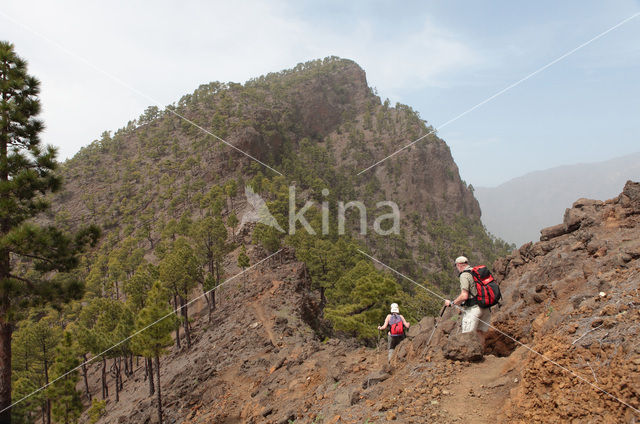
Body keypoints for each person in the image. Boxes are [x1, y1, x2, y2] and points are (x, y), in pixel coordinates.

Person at [444, 256, 491, 345]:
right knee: (479, 332)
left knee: (467, 336)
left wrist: (452, 303)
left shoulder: (464, 275)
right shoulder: (476, 272)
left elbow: (464, 296)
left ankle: (468, 358)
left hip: (474, 309)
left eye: (456, 266)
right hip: (486, 308)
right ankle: (481, 353)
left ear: (459, 265)